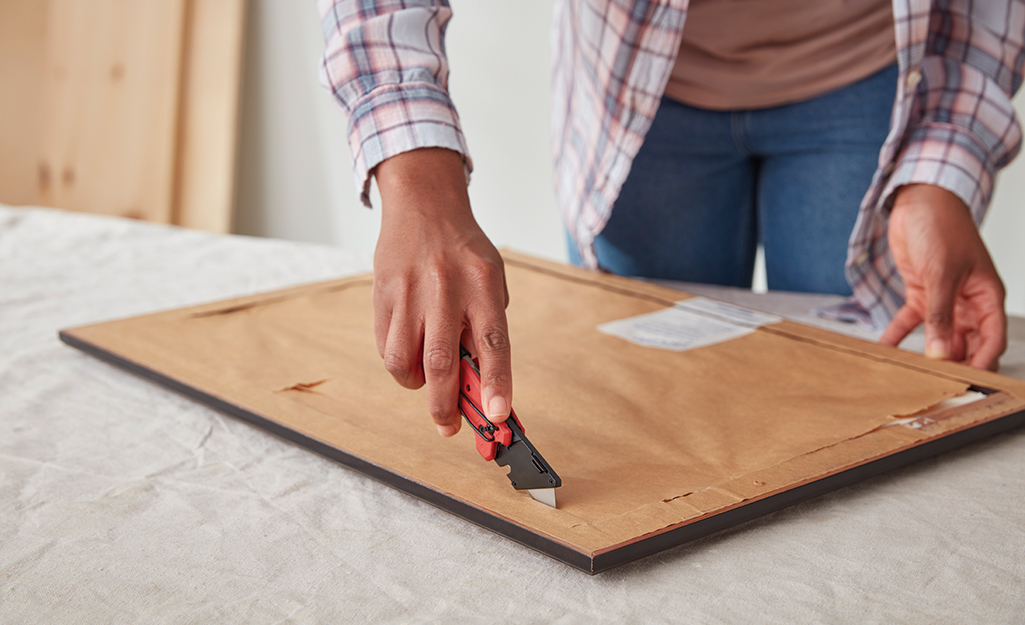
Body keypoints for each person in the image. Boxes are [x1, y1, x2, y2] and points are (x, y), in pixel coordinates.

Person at [318, 0, 1023, 437]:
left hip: (873, 77)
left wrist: (942, 166)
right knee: (644, 413)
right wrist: (414, 172)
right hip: (636, 93)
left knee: (870, 415)